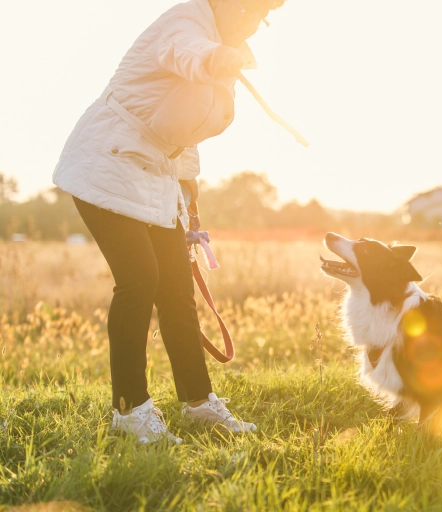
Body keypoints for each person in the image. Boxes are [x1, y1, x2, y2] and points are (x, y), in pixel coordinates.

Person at [53, 0, 286, 444]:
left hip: (156, 176)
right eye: (257, 13)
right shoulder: (187, 24)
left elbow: (186, 124)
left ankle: (198, 402)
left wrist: (188, 187)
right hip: (106, 161)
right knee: (140, 279)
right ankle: (129, 409)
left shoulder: (221, 43)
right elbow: (185, 51)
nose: (258, 26)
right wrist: (214, 57)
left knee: (177, 290)